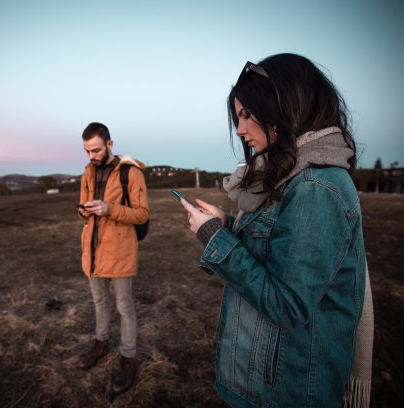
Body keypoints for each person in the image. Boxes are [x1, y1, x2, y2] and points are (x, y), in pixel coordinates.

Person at [178, 54, 373, 407]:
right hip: (262, 382)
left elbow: (288, 305)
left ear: (284, 106)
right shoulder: (287, 176)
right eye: (238, 117)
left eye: (246, 115)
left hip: (287, 392)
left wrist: (216, 239)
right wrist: (225, 226)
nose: (239, 130)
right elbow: (276, 254)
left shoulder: (315, 187)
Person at [76, 122, 149, 395]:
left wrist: (109, 209)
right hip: (92, 250)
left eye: (95, 150)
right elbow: (83, 209)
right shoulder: (87, 173)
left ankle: (128, 358)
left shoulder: (131, 173)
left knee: (124, 306)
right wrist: (84, 212)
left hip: (119, 250)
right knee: (98, 301)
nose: (91, 156)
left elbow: (142, 214)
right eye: (87, 151)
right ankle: (101, 343)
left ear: (109, 144)